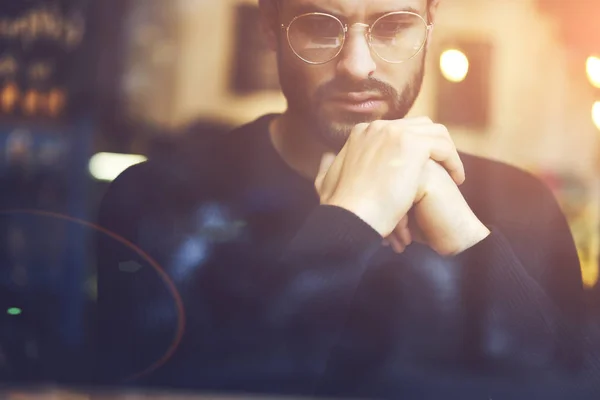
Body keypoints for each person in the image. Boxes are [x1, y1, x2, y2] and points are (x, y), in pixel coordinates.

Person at [94, 0, 594, 398]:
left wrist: (467, 237)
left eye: (392, 26)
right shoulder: (156, 197)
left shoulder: (522, 203)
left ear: (430, 22)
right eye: (320, 25)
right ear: (270, 25)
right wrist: (350, 220)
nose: (357, 66)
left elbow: (574, 384)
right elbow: (179, 383)